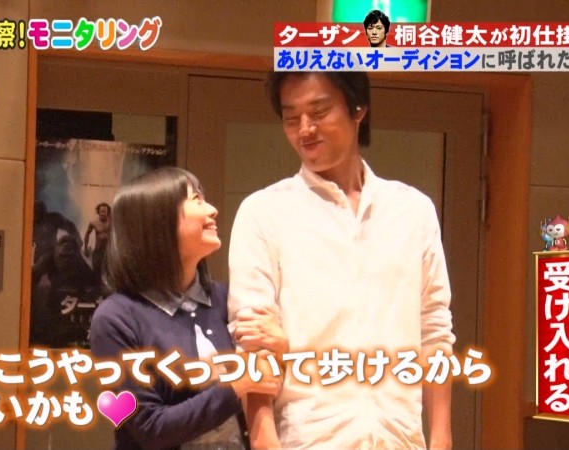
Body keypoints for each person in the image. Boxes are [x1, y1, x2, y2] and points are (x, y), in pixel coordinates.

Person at [228, 72, 455, 449]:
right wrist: (265, 442)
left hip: (400, 436)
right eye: (291, 117)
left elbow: (434, 327)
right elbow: (253, 340)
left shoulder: (413, 210)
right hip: (309, 438)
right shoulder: (264, 212)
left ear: (358, 109)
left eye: (318, 112)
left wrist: (441, 438)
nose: (304, 129)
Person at [90, 167, 287, 450]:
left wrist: (282, 350)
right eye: (196, 200)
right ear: (157, 221)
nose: (213, 210)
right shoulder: (116, 317)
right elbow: (149, 428)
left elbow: (271, 389)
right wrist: (236, 385)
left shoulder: (228, 297)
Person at [83, 202, 112, 280]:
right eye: (101, 212)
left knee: (110, 270)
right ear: (98, 212)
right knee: (96, 269)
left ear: (108, 212)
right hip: (98, 249)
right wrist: (85, 248)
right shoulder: (94, 222)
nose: (103, 214)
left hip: (109, 249)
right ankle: (97, 284)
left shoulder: (112, 221)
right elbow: (87, 234)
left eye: (104, 212)